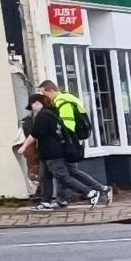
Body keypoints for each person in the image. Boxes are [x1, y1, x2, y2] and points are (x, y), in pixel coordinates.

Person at [35, 78, 110, 206]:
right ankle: (63, 198)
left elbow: (68, 123)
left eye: (44, 93)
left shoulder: (62, 101)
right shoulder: (68, 97)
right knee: (68, 171)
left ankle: (96, 190)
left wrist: (64, 141)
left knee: (65, 173)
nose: (43, 96)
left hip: (69, 142)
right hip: (73, 140)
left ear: (51, 90)